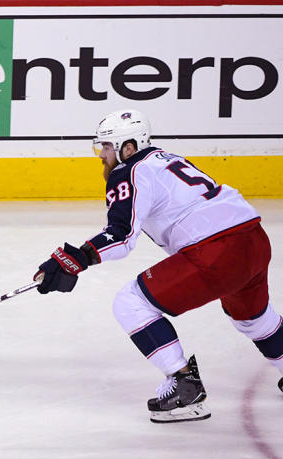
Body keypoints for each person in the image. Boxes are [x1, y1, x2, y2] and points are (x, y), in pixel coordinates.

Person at [34, 109, 283, 423]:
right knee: (253, 318)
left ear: (127, 147)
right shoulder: (165, 158)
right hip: (253, 239)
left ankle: (185, 387)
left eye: (106, 148)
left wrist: (77, 258)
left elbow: (122, 235)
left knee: (131, 303)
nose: (102, 156)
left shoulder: (128, 170)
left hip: (215, 252)